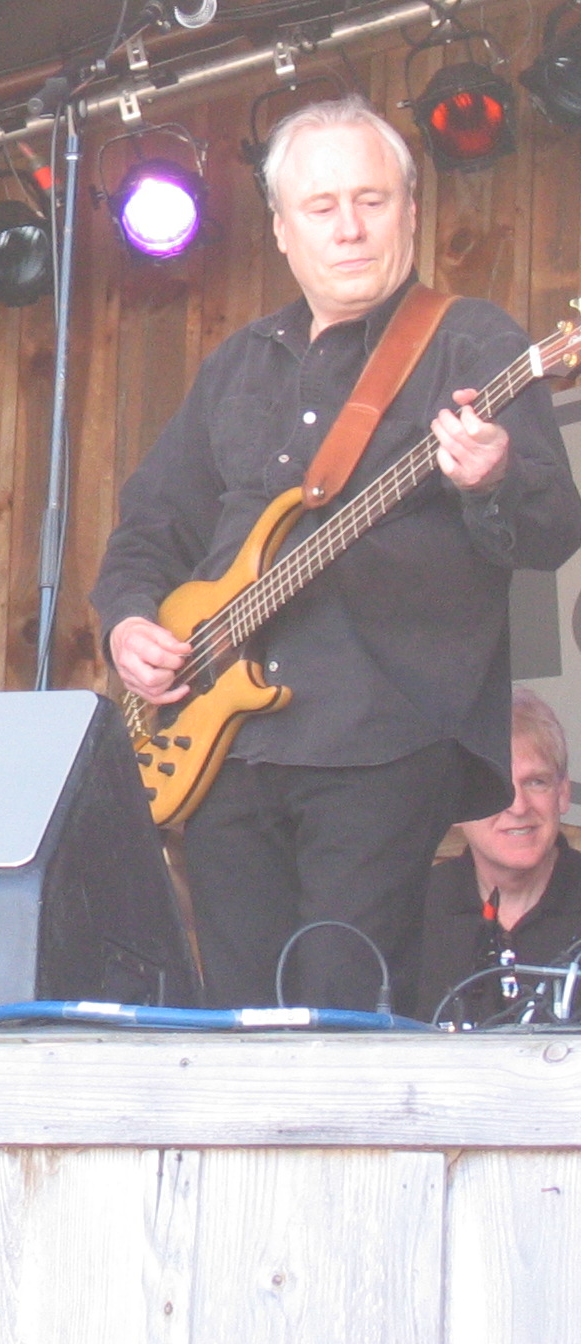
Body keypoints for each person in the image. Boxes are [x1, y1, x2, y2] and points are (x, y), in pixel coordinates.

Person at [92, 95, 581, 1014]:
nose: (350, 228)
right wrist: (129, 623)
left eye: (373, 200)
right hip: (224, 744)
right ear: (281, 231)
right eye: (322, 208)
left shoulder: (471, 341)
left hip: (383, 735)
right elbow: (151, 527)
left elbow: (551, 532)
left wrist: (493, 475)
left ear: (410, 209)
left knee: (340, 1003)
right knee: (237, 1008)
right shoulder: (238, 365)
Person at [416, 687, 581, 1024]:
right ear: (455, 803)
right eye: (496, 786)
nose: (518, 807)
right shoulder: (407, 911)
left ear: (563, 794)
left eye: (536, 782)